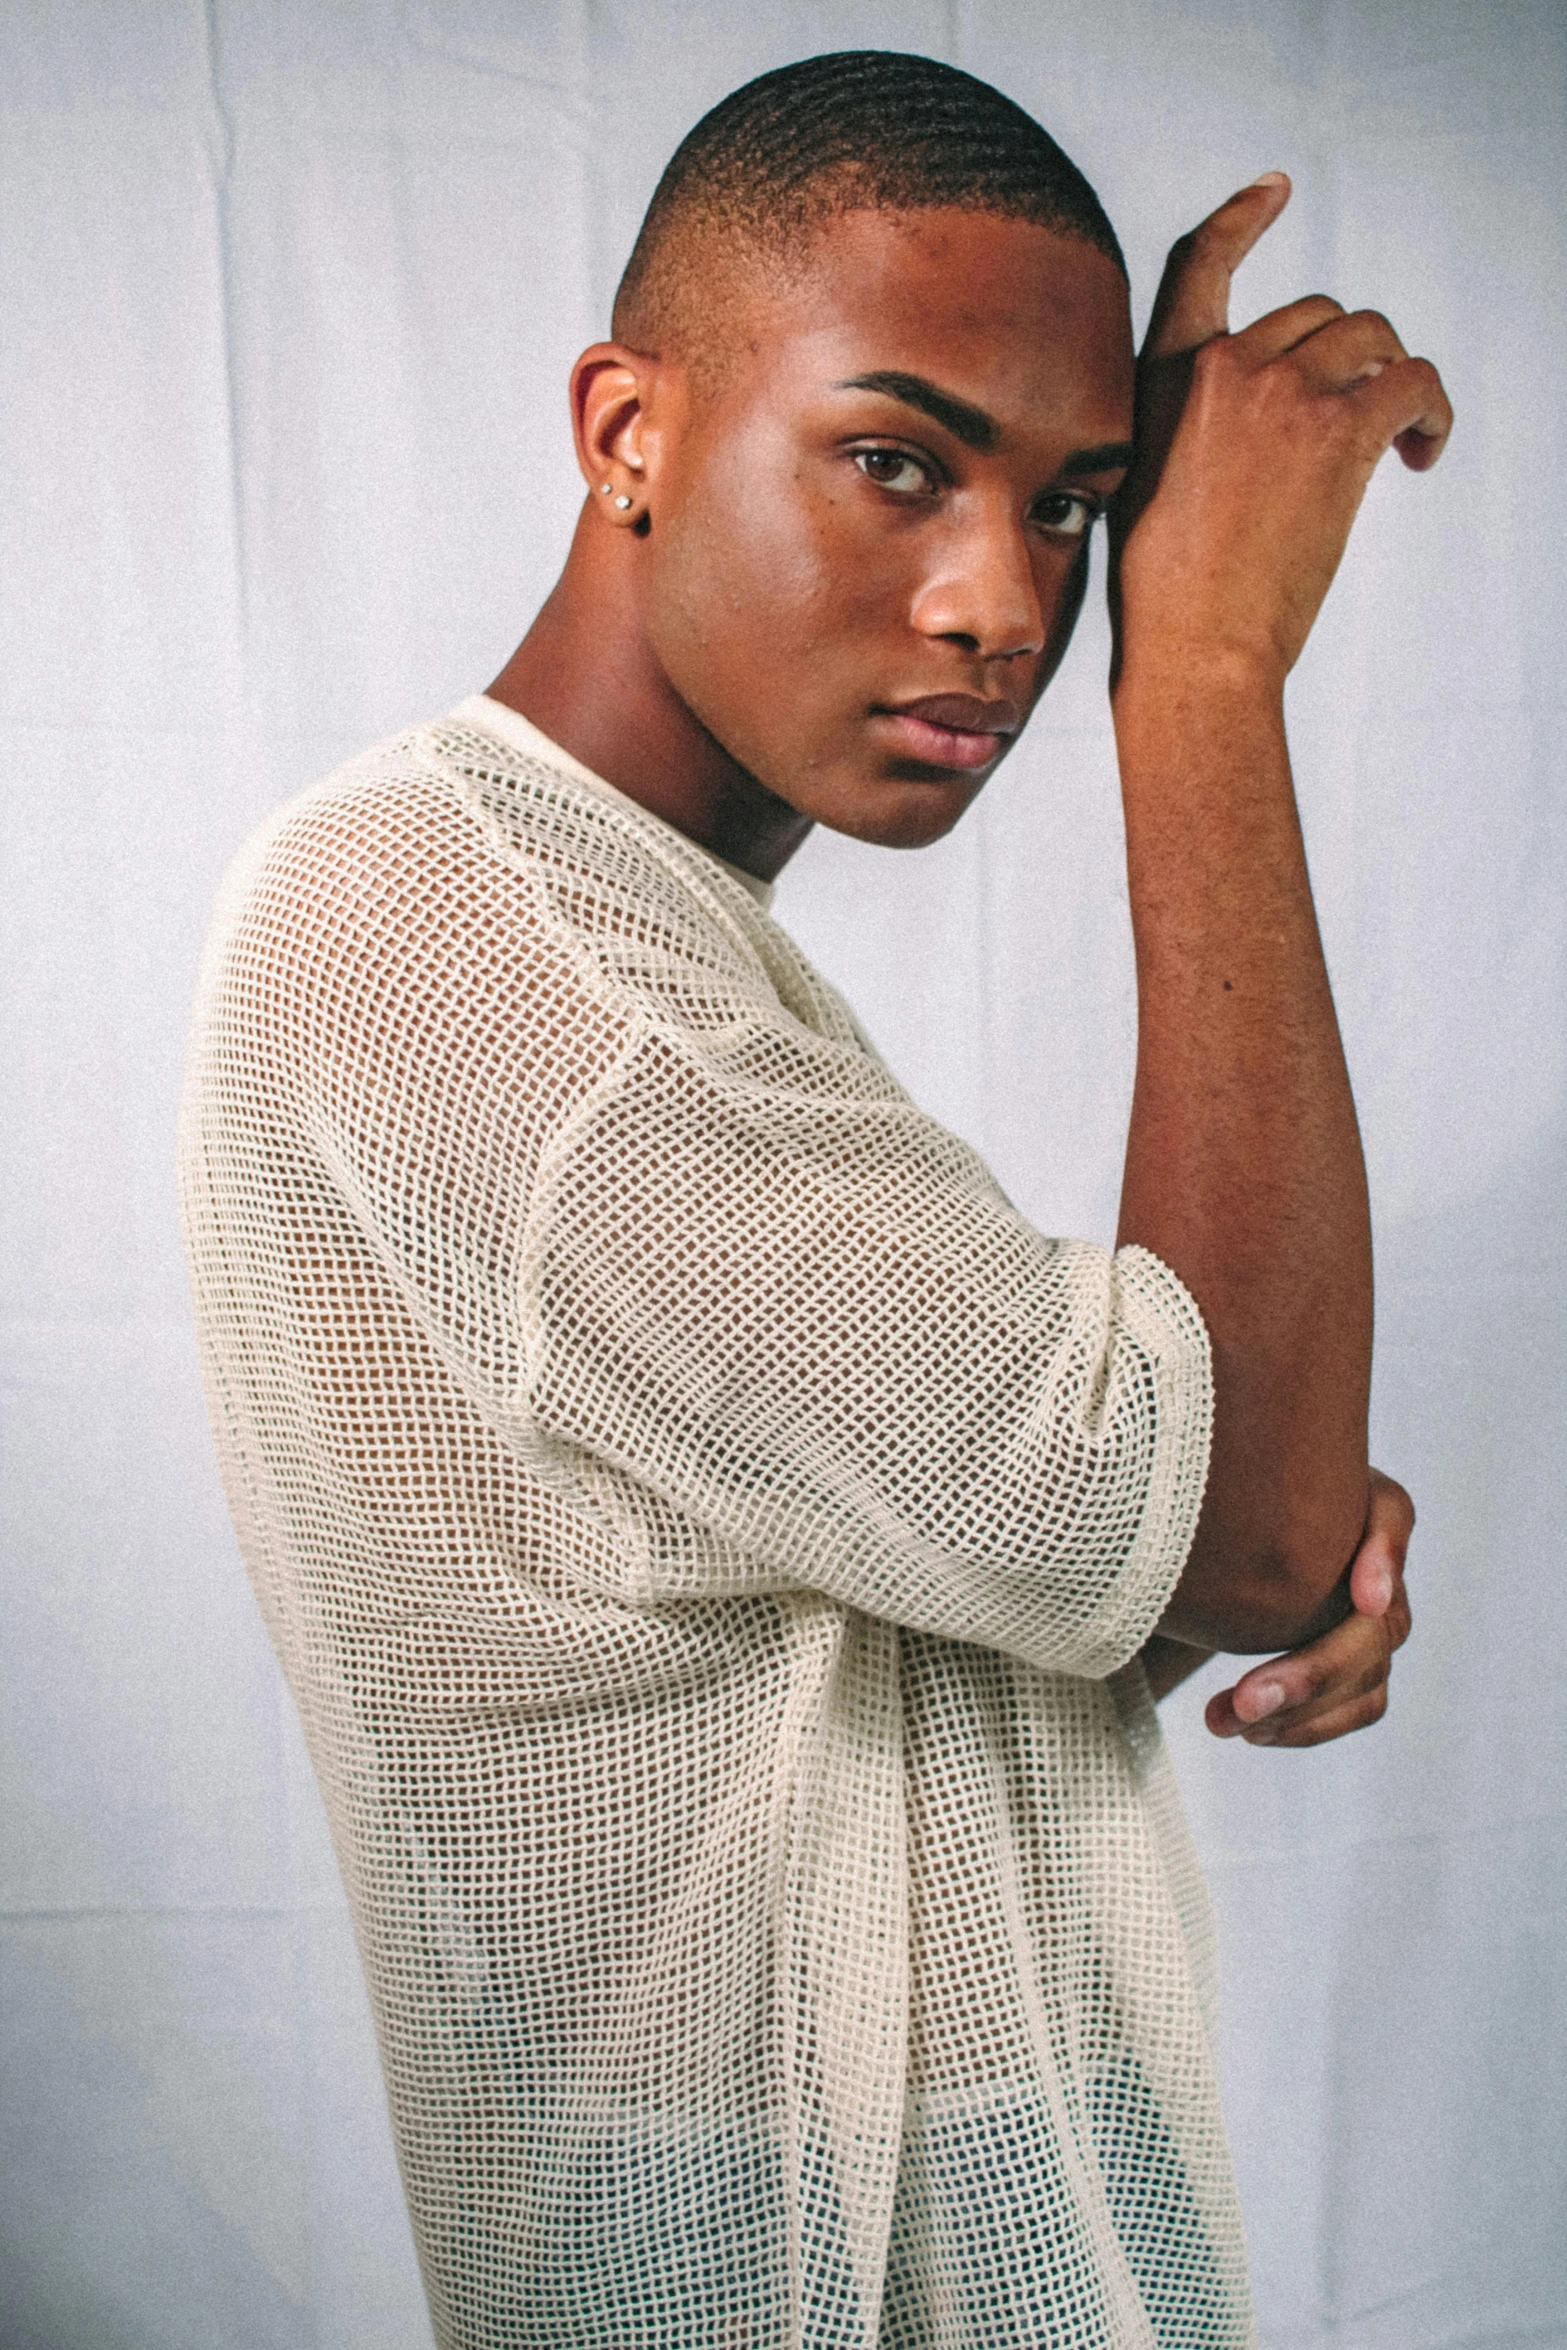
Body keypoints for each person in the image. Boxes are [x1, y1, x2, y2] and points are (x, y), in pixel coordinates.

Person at [177, 50, 1443, 2350]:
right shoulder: (458, 932)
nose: (1004, 601)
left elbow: (948, 1598)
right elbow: (1216, 1520)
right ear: (628, 433)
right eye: (897, 460)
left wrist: (1210, 1527)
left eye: (1078, 505)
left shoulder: (620, 938)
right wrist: (1216, 671)